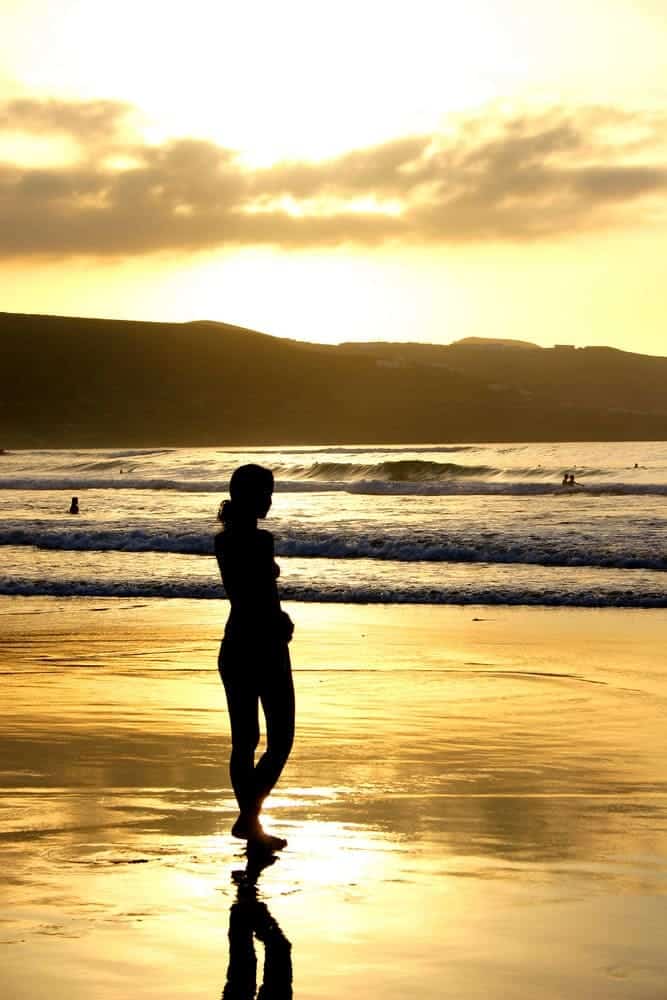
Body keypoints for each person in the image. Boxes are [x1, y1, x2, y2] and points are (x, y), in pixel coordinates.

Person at [215, 464, 295, 851]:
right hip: (264, 646)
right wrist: (281, 621)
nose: (270, 500)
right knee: (279, 740)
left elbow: (243, 594)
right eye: (266, 493)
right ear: (250, 496)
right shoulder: (260, 541)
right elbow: (261, 597)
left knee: (244, 741)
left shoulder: (224, 540)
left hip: (235, 644)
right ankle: (249, 820)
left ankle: (251, 822)